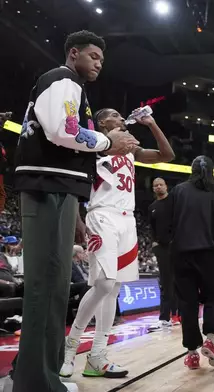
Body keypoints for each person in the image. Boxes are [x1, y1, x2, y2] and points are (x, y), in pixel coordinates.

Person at [6, 30, 138, 392]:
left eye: (102, 59)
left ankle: (28, 372)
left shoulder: (67, 85)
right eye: (93, 56)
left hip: (57, 190)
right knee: (48, 287)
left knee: (49, 287)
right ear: (73, 53)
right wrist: (110, 142)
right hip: (49, 188)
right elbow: (63, 130)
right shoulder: (64, 79)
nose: (98, 63)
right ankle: (38, 381)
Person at [60, 107, 174, 379]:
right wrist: (78, 221)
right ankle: (70, 346)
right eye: (116, 116)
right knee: (105, 284)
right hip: (102, 216)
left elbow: (167, 155)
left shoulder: (131, 151)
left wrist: (152, 124)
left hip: (127, 221)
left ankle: (97, 357)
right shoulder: (92, 146)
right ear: (102, 123)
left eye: (124, 117)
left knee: (114, 290)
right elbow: (76, 185)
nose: (123, 119)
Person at [167, 156, 214, 370]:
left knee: (187, 303)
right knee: (212, 299)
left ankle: (192, 353)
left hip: (182, 253)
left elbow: (169, 221)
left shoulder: (179, 191)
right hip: (209, 254)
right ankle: (210, 339)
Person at [148, 177, 180, 330]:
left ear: (166, 186)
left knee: (180, 281)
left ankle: (180, 314)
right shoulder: (152, 206)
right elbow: (152, 227)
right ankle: (164, 317)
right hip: (161, 248)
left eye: (161, 184)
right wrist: (154, 243)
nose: (159, 187)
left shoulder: (175, 202)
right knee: (166, 283)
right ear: (153, 189)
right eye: (156, 185)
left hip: (178, 246)